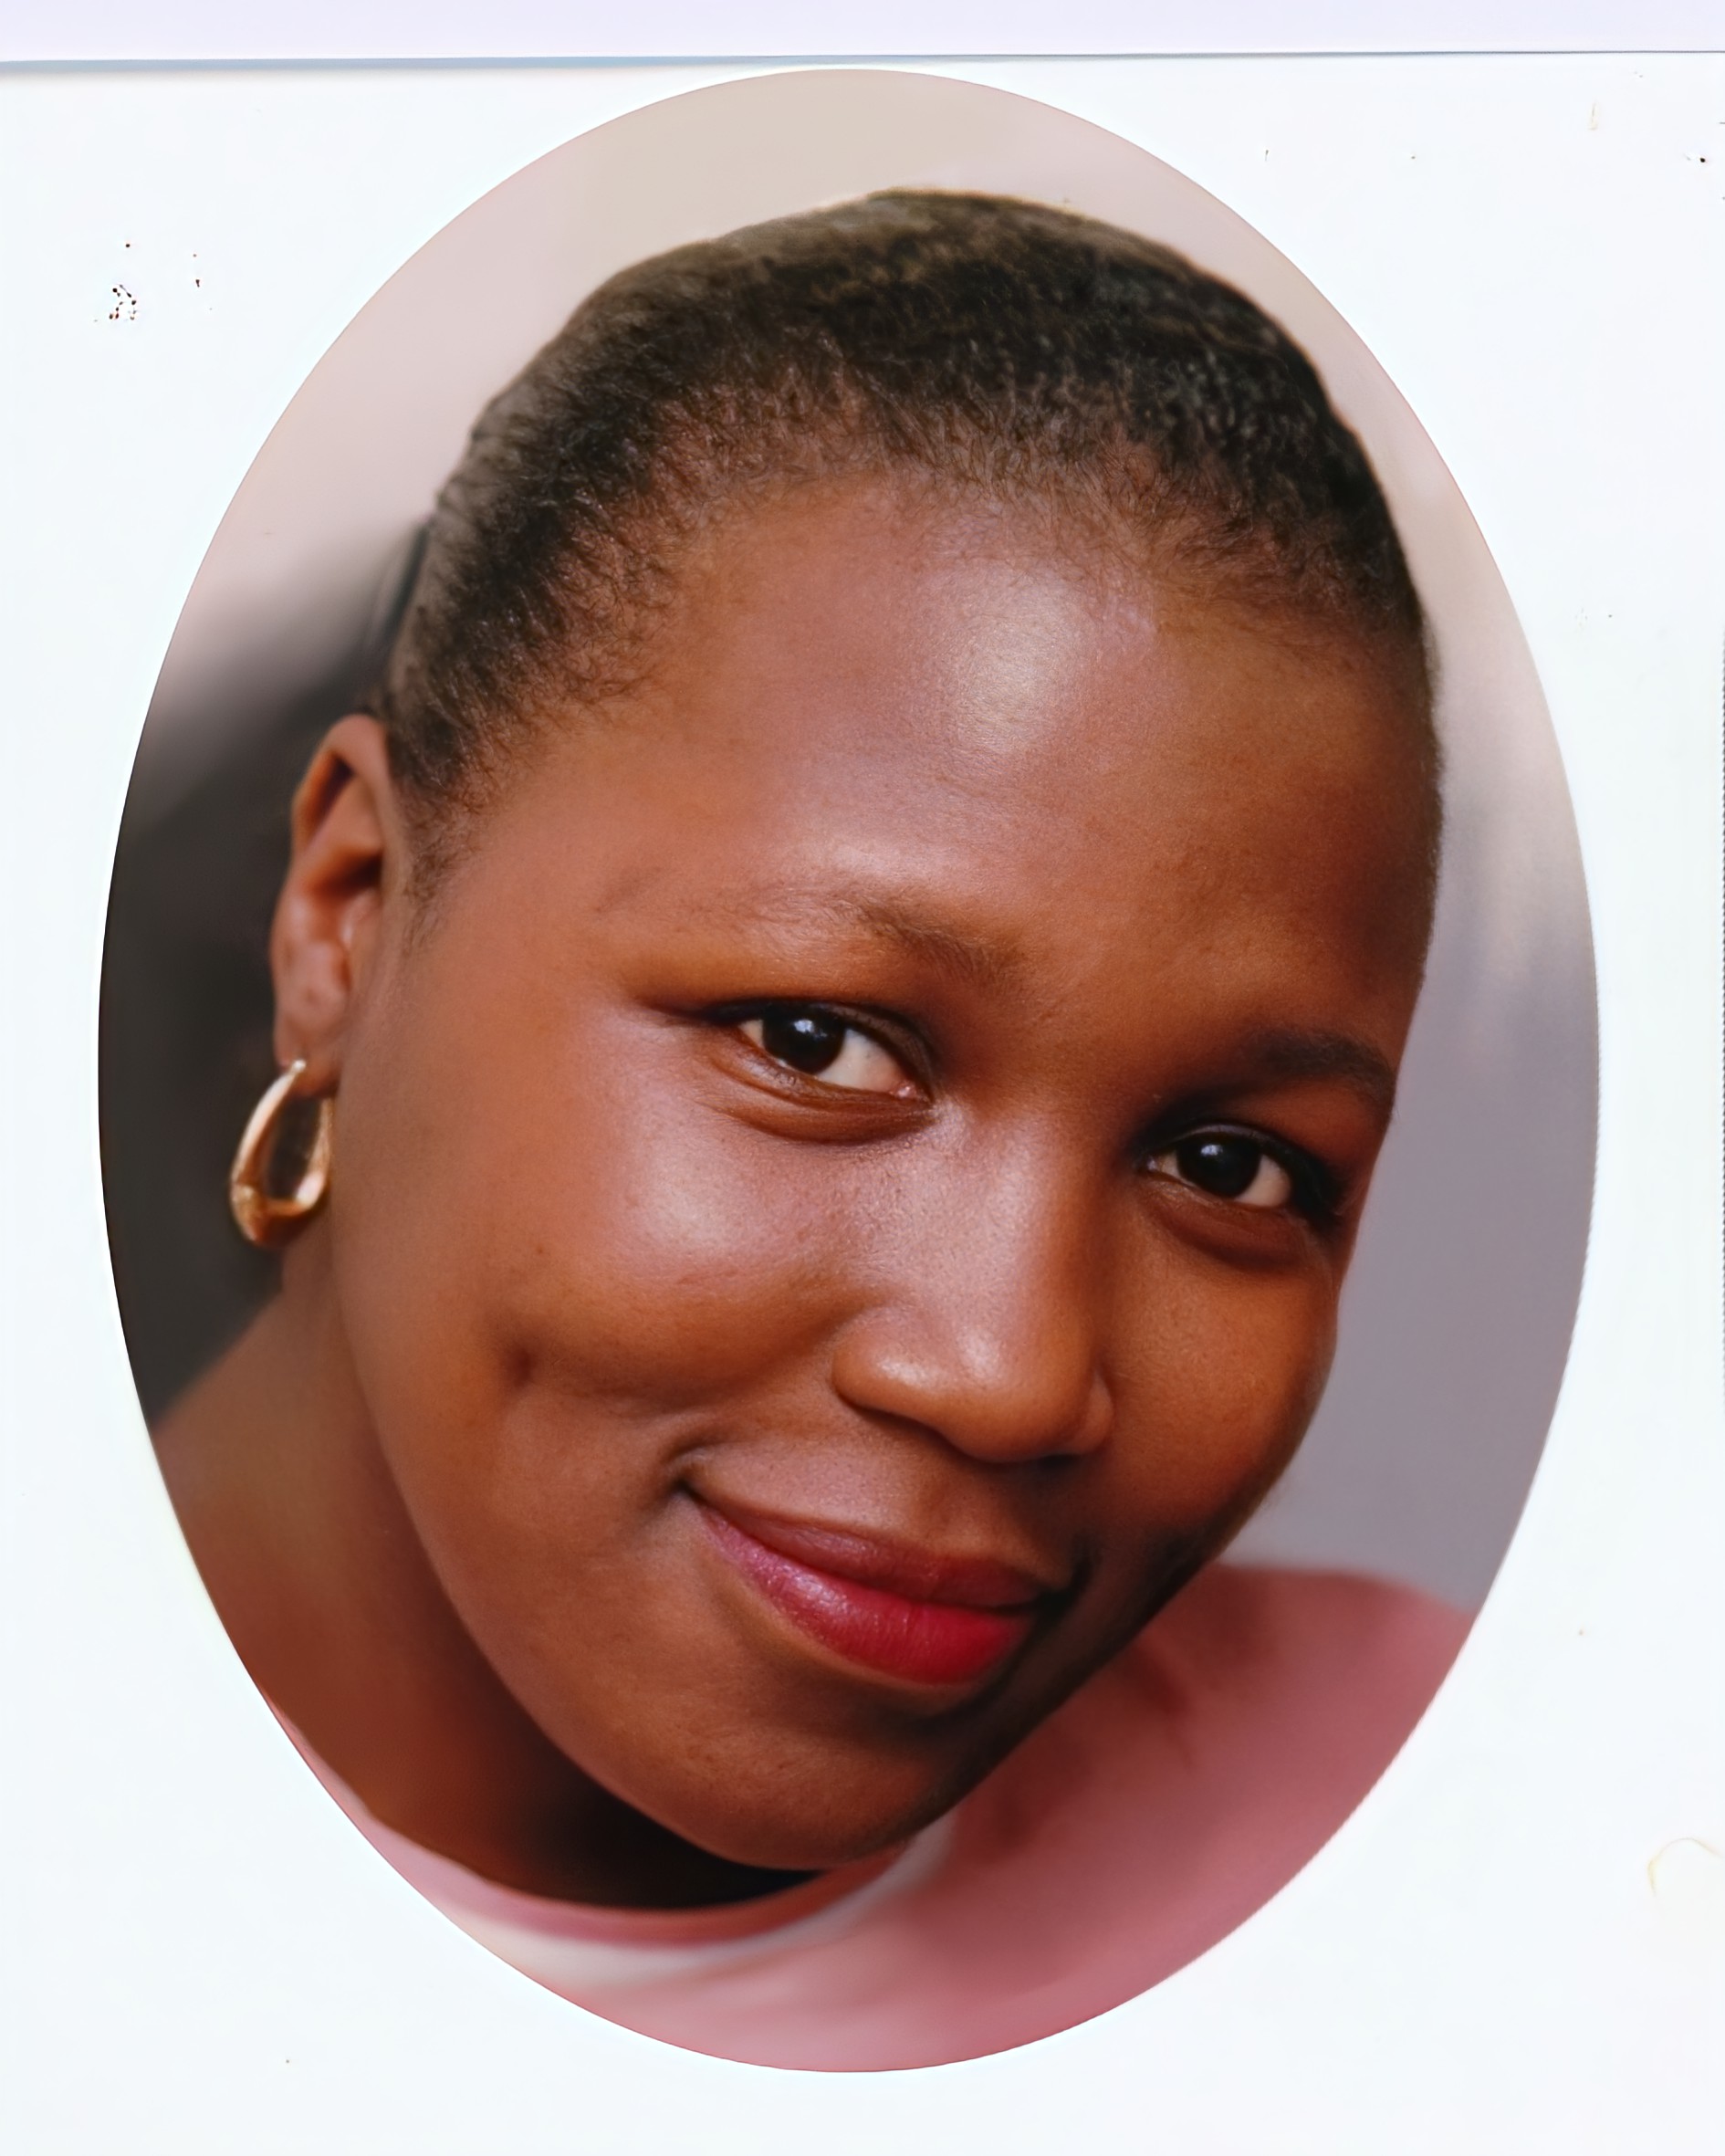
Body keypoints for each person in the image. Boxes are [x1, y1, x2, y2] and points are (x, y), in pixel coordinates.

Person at [152, 191, 1467, 2069]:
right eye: (815, 1041)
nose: (1012, 1374)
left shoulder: (1471, 1821)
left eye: (1228, 1164)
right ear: (348, 916)